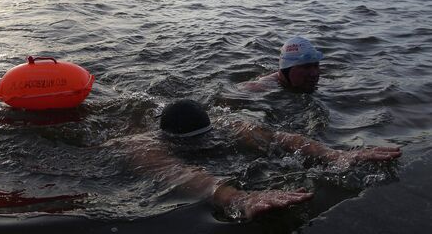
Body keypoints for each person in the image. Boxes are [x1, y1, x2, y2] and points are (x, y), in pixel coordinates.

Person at [129, 99, 401, 219]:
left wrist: (334, 154)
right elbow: (176, 172)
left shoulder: (227, 125)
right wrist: (236, 198)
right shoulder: (139, 145)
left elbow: (279, 138)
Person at [241, 36, 323, 92]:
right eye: (306, 67)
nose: (314, 73)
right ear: (286, 69)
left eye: (316, 65)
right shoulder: (259, 88)